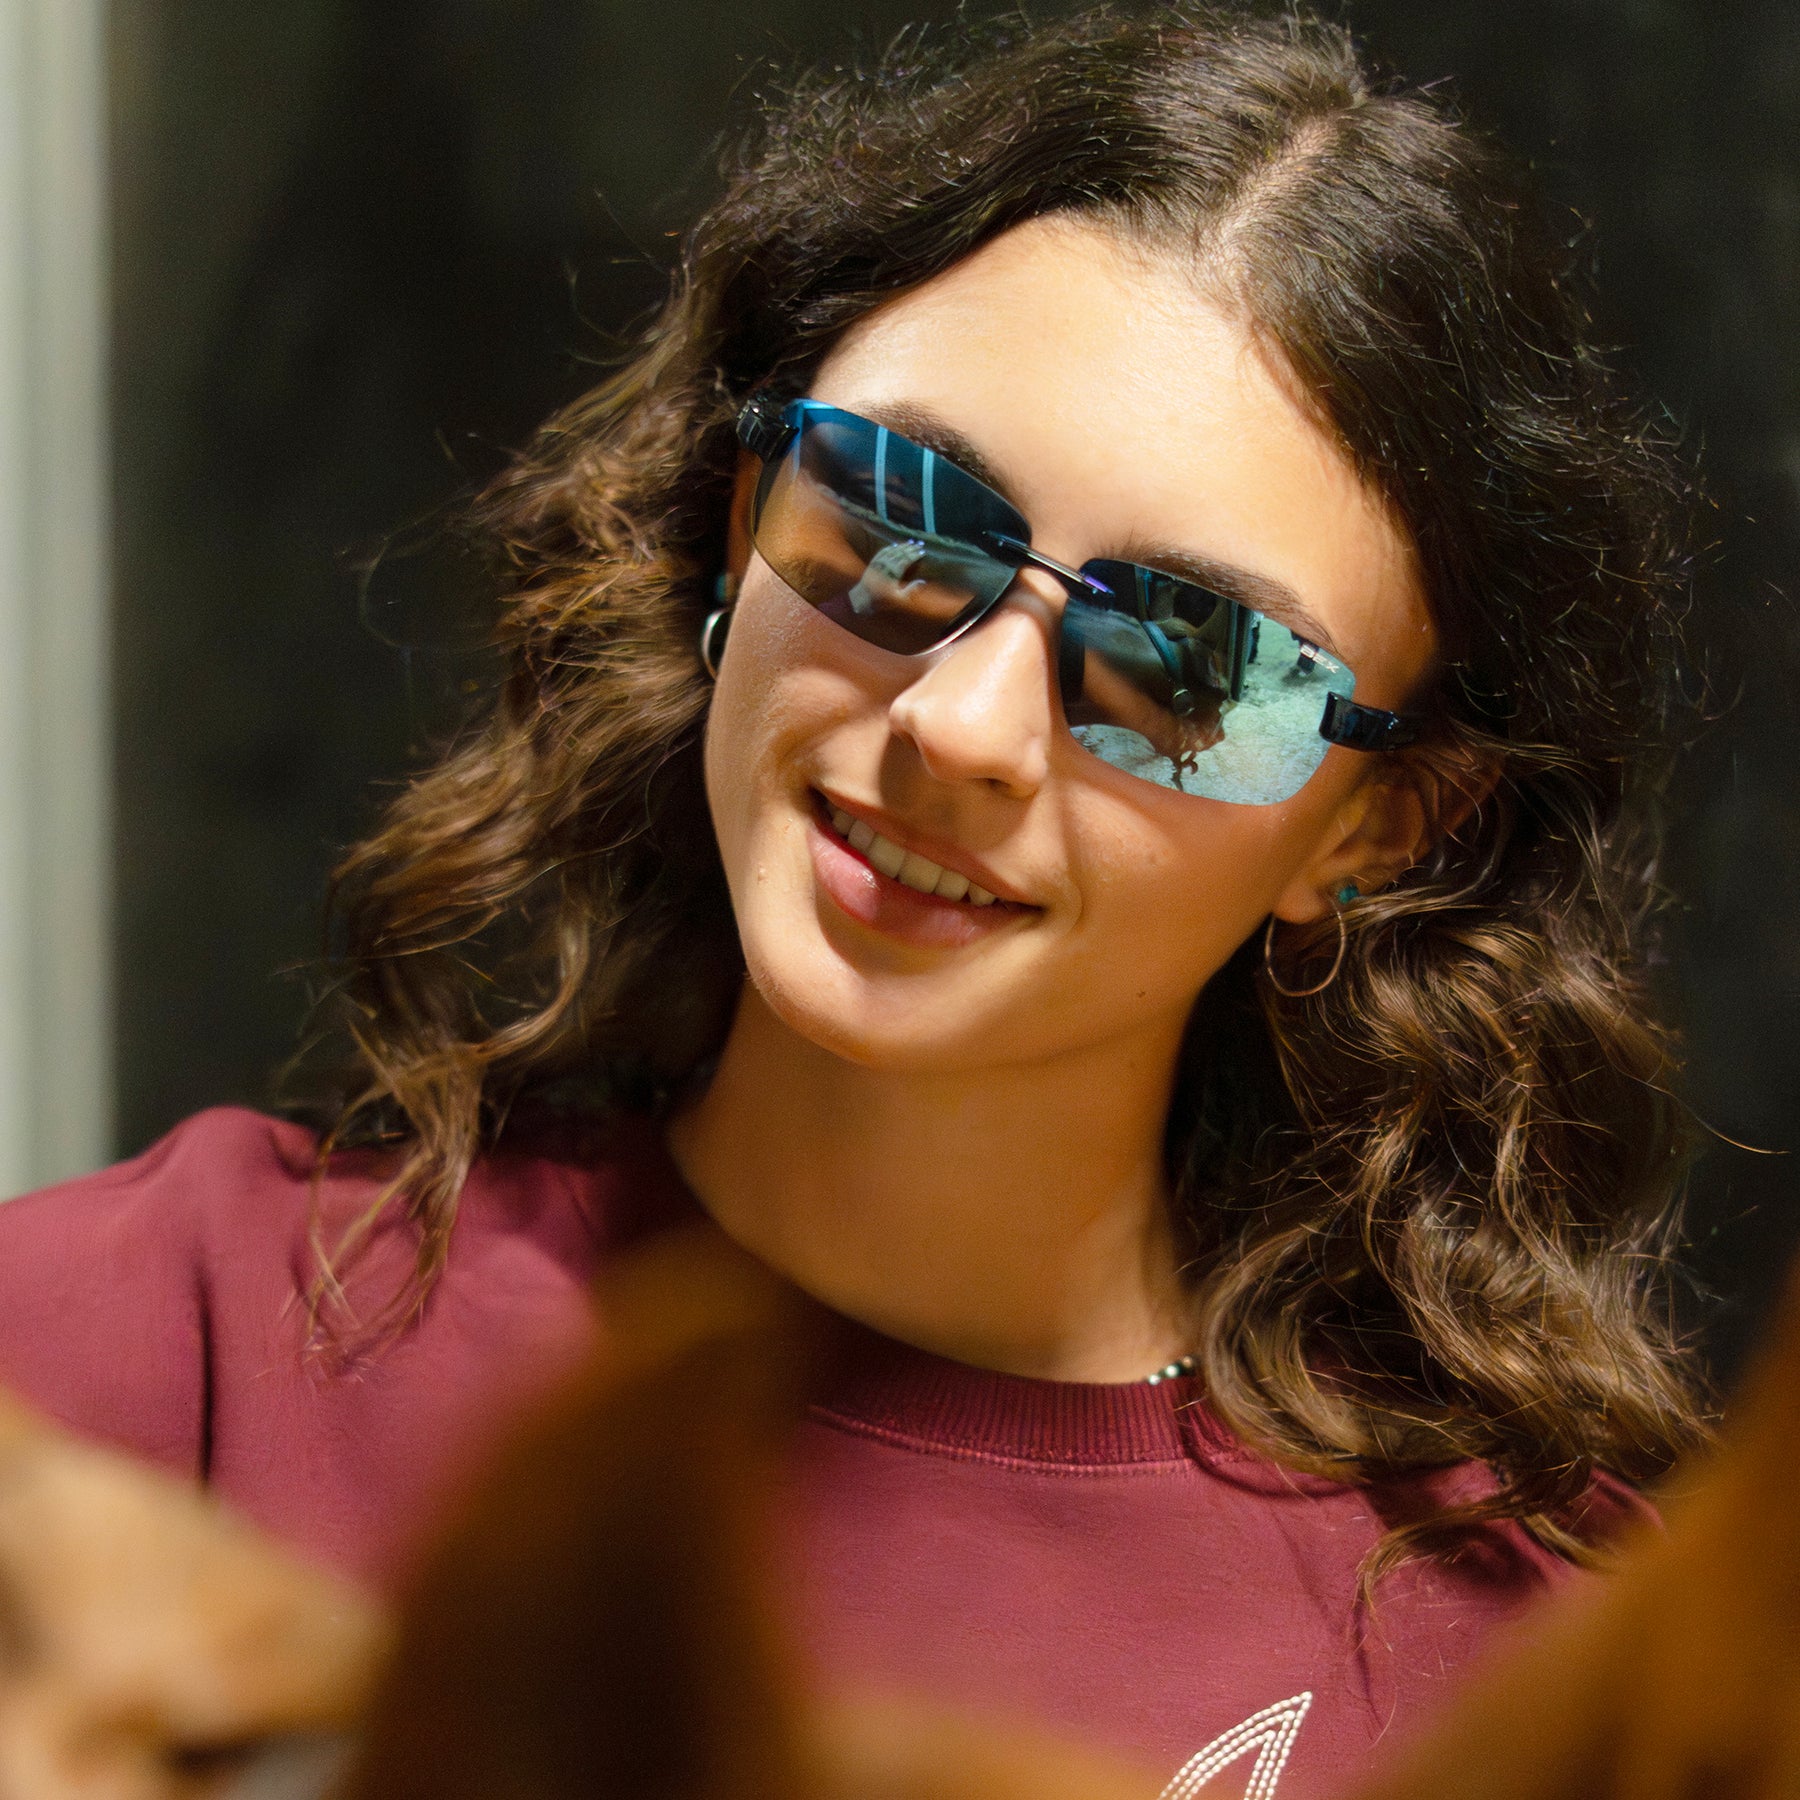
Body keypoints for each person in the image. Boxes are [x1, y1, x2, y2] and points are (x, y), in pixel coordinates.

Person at [0, 6, 1707, 1791]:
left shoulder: (1526, 1665)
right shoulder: (161, 1357)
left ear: (1379, 827)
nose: (962, 726)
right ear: (747, 512)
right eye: (900, 517)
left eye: (1190, 670)